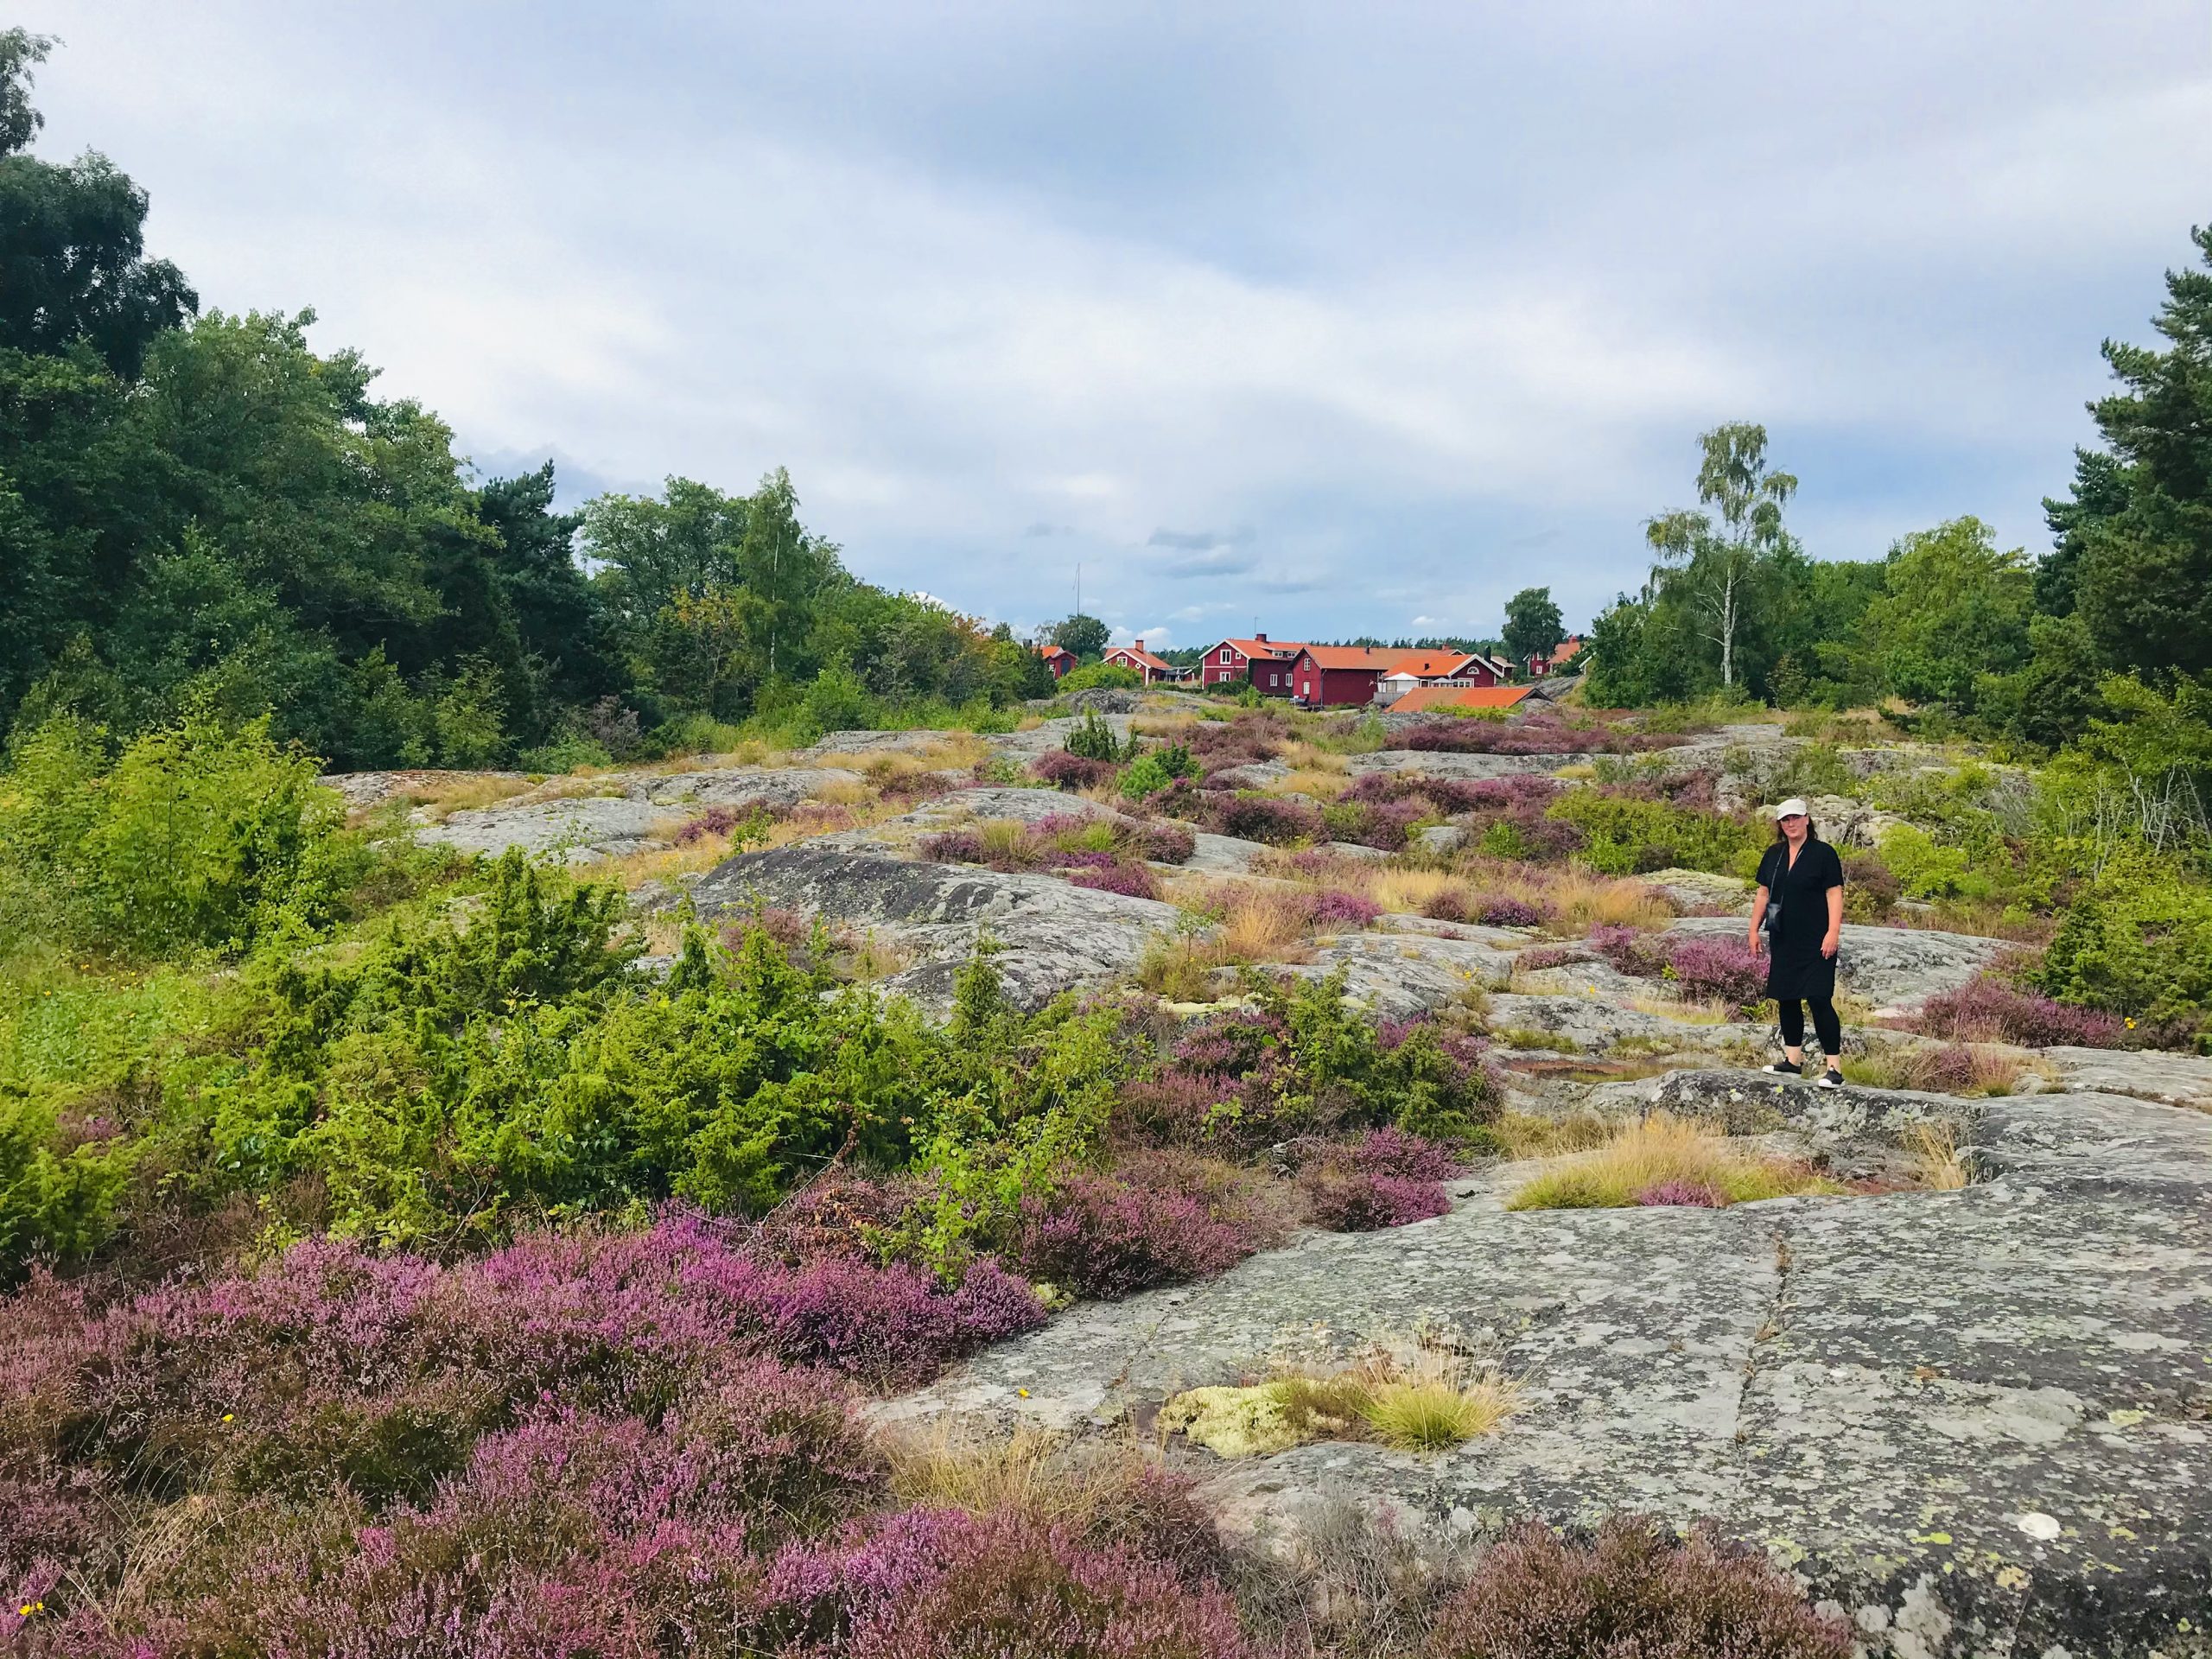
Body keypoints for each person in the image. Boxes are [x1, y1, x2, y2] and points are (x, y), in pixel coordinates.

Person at [1748, 797, 1846, 1087]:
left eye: (1796, 818)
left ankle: (1834, 1068)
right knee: (1787, 997)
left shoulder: (1823, 853)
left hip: (1817, 939)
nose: (1791, 823)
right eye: (1785, 819)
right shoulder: (1774, 854)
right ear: (1780, 824)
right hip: (1783, 937)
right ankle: (1792, 1061)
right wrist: (1753, 930)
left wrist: (1833, 932)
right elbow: (1763, 893)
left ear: (1807, 819)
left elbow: (1834, 893)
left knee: (1819, 998)